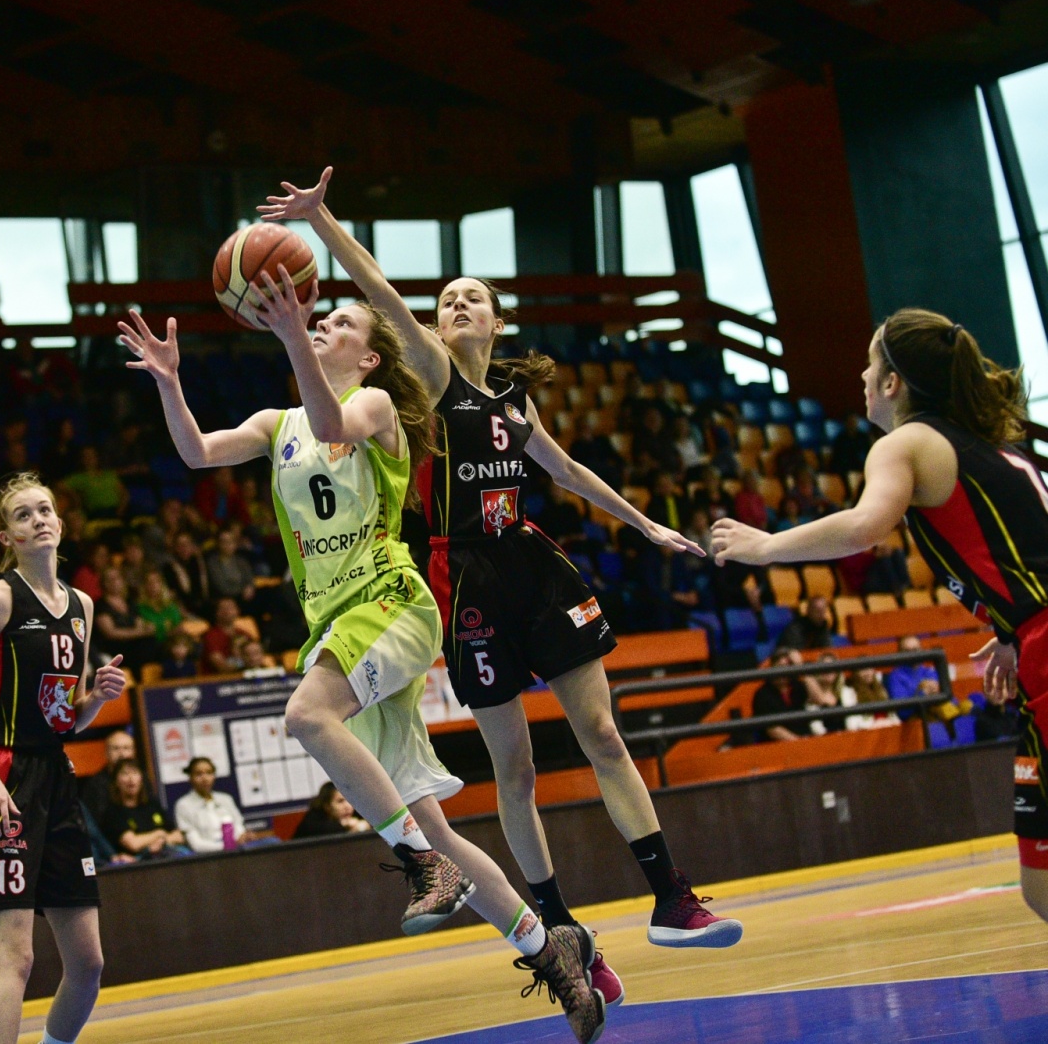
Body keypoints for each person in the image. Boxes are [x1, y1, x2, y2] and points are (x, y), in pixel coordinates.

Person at [262, 168, 737, 997]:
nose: (456, 304)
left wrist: (644, 524)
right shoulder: (429, 372)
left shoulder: (515, 400)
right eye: (445, 298)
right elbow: (380, 292)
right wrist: (323, 219)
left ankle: (671, 897)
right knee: (513, 770)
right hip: (466, 576)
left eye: (471, 297)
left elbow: (568, 470)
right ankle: (560, 926)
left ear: (497, 319)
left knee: (603, 733)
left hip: (533, 562)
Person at [120, 250, 602, 1039]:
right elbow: (197, 452)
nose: (322, 325)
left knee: (306, 715)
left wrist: (289, 338)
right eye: (320, 320)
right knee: (433, 821)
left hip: (391, 601)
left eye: (338, 322)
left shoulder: (375, 406)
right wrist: (171, 383)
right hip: (337, 622)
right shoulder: (274, 425)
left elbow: (330, 423)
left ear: (370, 356)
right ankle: (554, 953)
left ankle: (421, 866)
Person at [712, 306, 1048, 922]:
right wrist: (1011, 631)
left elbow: (866, 526)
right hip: (1033, 641)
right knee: (1040, 883)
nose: (862, 376)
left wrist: (766, 547)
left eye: (869, 364)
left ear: (892, 382)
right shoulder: (988, 447)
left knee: (1044, 886)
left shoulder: (907, 442)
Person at [0, 472, 126, 1044]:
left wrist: (96, 699)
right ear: (7, 538)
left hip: (56, 776)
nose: (38, 519)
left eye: (45, 510)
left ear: (61, 524)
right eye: (23, 514)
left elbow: (66, 715)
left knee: (88, 964)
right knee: (15, 958)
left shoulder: (82, 605)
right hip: (3, 775)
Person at [171, 757, 267, 853]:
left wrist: (244, 837)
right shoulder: (183, 805)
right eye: (199, 774)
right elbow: (196, 845)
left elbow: (239, 828)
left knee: (271, 842)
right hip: (210, 854)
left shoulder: (226, 799)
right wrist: (229, 845)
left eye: (209, 773)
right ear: (190, 778)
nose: (205, 778)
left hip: (238, 848)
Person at [292, 781, 371, 838]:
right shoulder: (313, 819)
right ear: (327, 806)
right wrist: (344, 825)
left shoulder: (356, 810)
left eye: (350, 800)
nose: (348, 806)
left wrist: (364, 826)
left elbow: (372, 823)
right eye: (340, 801)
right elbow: (325, 831)